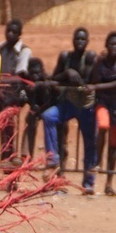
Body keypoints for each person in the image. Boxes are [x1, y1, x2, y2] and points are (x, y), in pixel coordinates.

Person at [41, 28, 97, 193]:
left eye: (82, 39)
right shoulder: (66, 57)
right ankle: (53, 159)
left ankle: (89, 182)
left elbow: (87, 80)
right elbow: (54, 78)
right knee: (49, 116)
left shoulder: (91, 57)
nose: (79, 42)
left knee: (89, 141)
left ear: (87, 41)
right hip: (70, 102)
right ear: (72, 40)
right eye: (77, 39)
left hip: (86, 105)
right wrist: (67, 72)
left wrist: (74, 76)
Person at [0, 19, 32, 163]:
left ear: (19, 34)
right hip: (1, 93)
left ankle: (12, 158)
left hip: (14, 94)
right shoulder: (2, 47)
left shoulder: (24, 51)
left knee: (10, 125)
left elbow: (21, 74)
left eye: (14, 32)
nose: (10, 34)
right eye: (8, 31)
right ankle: (4, 157)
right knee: (2, 126)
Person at [89, 31, 116, 196]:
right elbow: (94, 79)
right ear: (106, 46)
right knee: (103, 125)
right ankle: (97, 160)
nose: (114, 47)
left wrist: (96, 88)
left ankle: (108, 183)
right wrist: (97, 61)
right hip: (103, 103)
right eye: (112, 44)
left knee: (114, 147)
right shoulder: (101, 62)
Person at [21, 58, 53, 159]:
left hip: (48, 107)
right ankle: (26, 155)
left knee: (51, 123)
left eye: (37, 73)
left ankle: (53, 157)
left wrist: (40, 85)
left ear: (42, 71)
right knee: (29, 121)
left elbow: (52, 98)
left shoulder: (47, 80)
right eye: (32, 73)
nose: (35, 75)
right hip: (35, 108)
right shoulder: (26, 80)